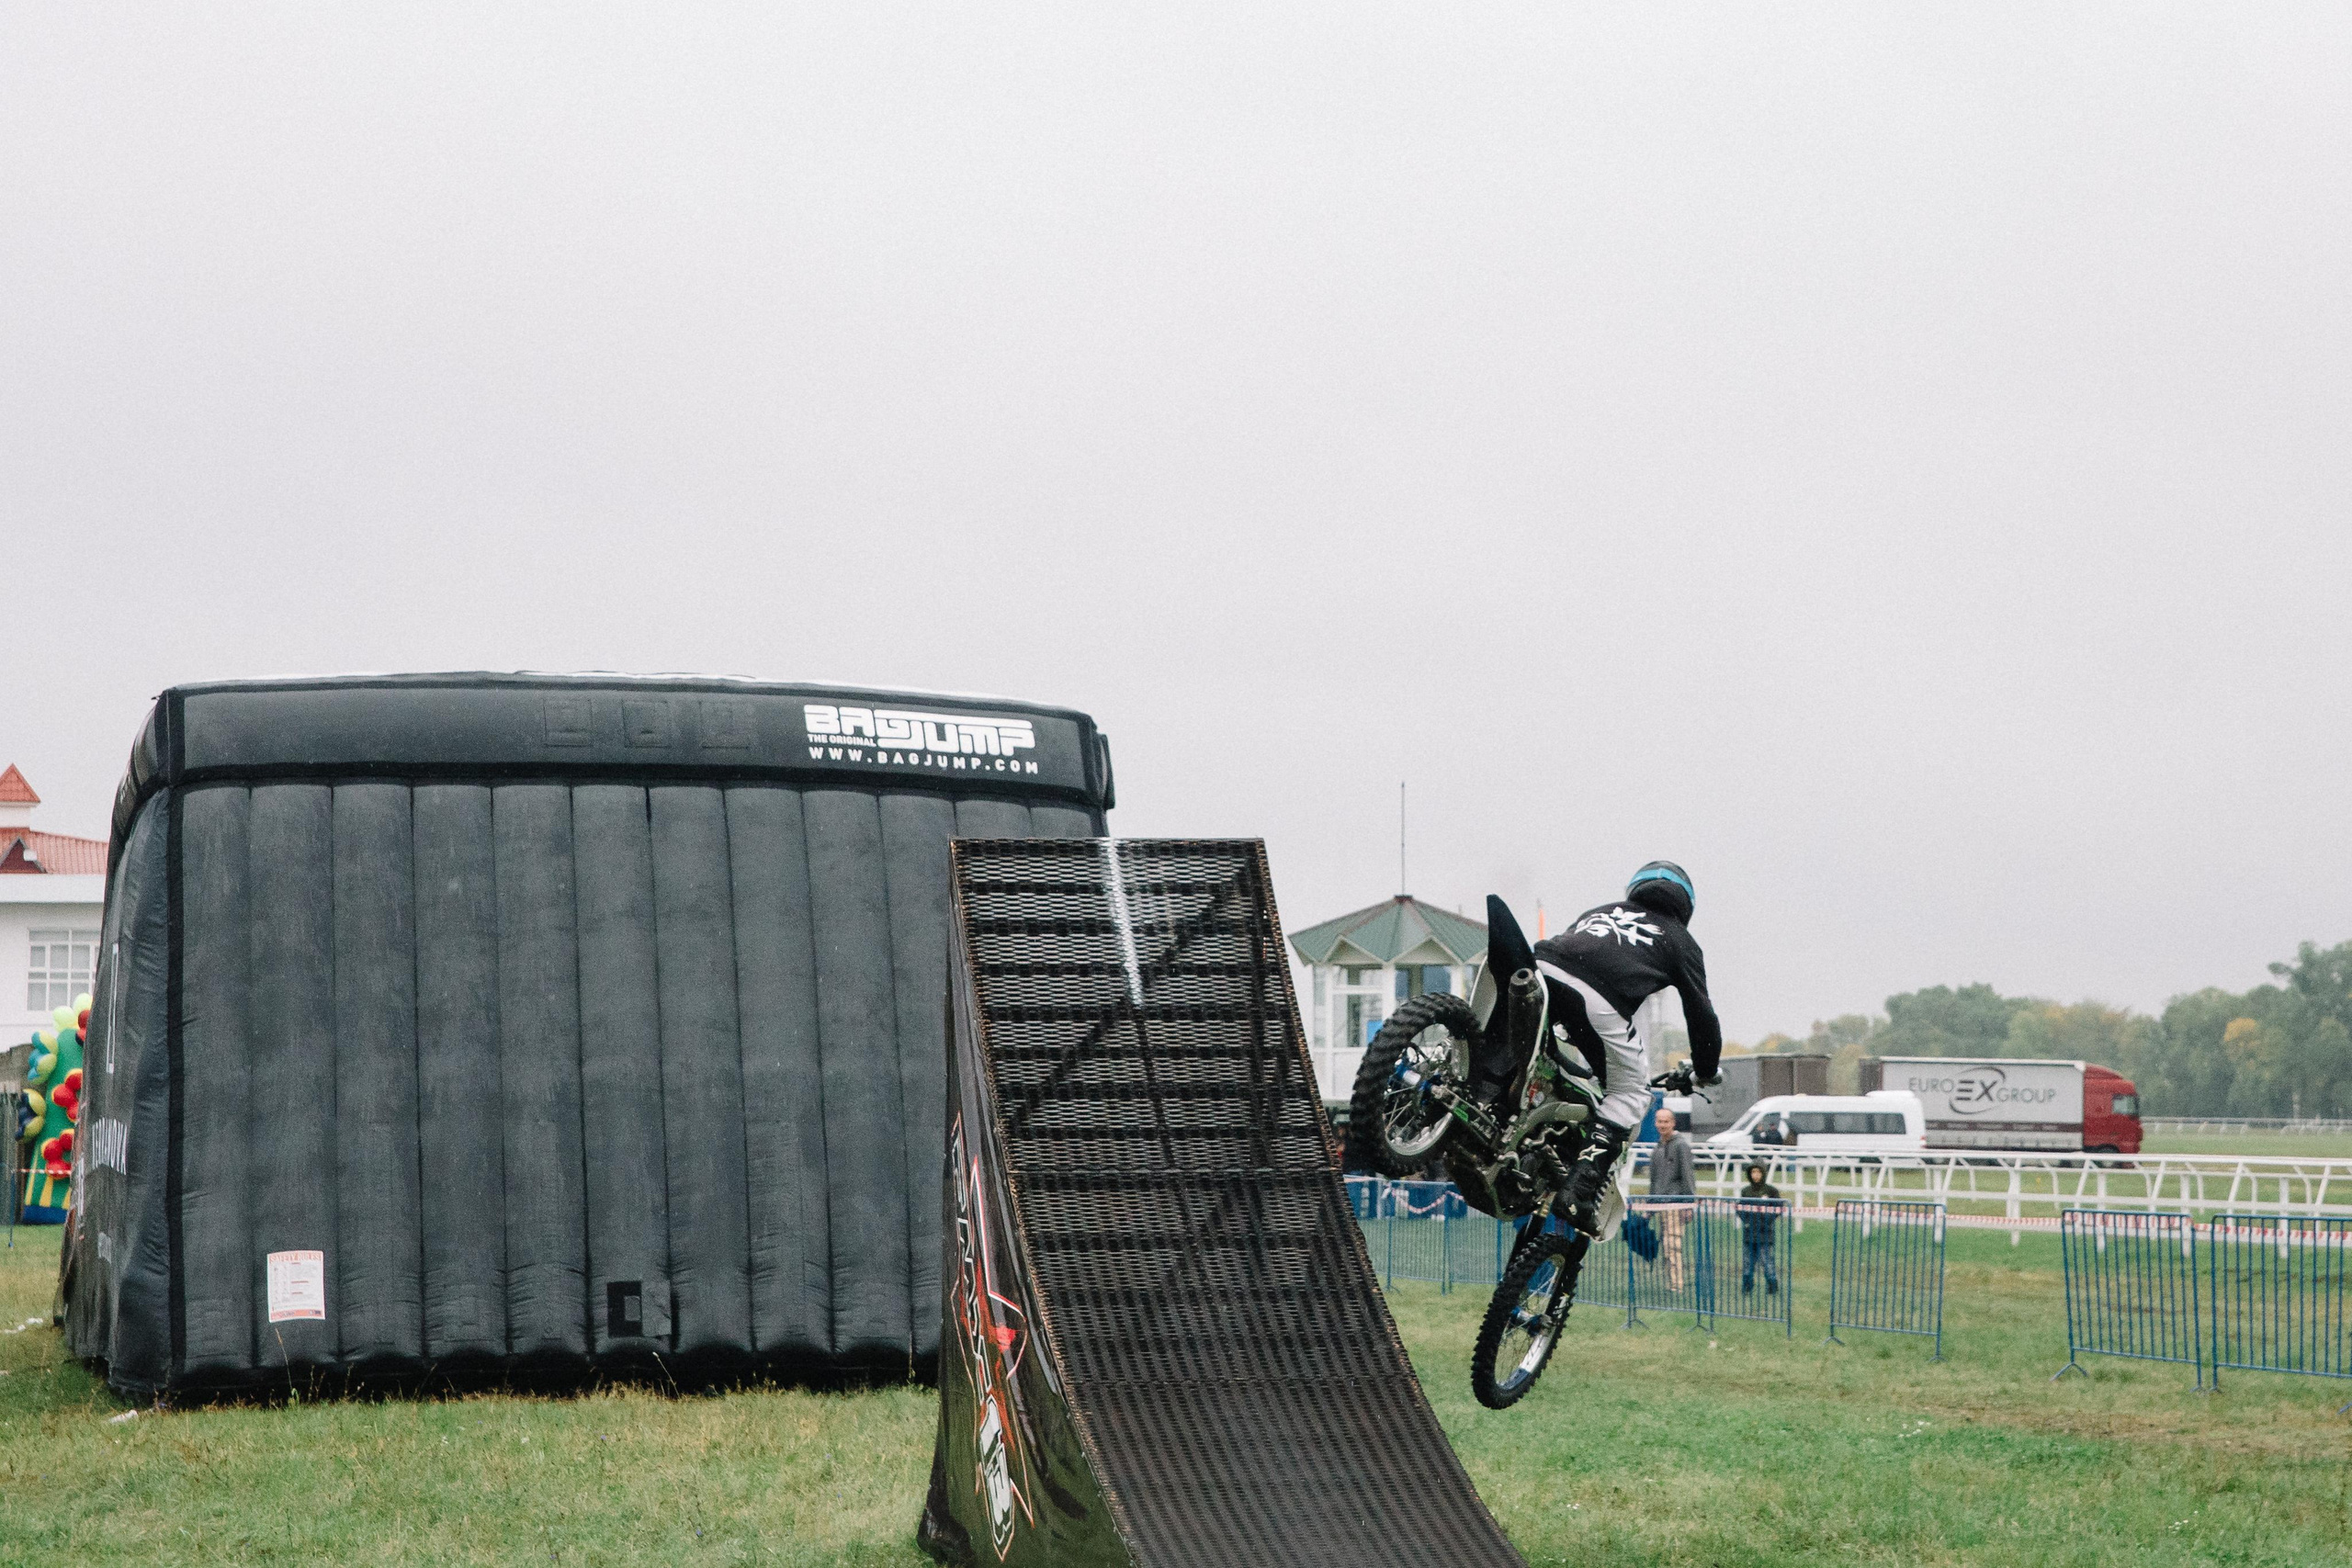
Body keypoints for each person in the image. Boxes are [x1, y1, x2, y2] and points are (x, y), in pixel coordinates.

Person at [1537, 861, 1724, 1235]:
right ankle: (1579, 1189)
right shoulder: (1680, 940)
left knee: (1542, 1060)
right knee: (1632, 1092)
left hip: (1539, 967)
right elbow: (1701, 1017)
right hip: (1598, 999)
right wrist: (1705, 1068)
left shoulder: (1600, 911)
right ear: (1685, 905)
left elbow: (1574, 959)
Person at [1648, 1108, 1697, 1292]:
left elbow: (1687, 1175)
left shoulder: (1680, 1146)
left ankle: (1677, 1284)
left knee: (1673, 1245)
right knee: (1666, 1246)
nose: (1662, 1125)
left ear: (1673, 1123)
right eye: (1659, 1121)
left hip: (1675, 1203)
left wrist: (1688, 1204)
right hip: (1661, 1203)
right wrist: (1650, 1206)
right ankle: (1671, 1282)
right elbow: (1654, 1179)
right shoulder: (1658, 1148)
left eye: (1666, 1121)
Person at [1737, 1162, 1782, 1295]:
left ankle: (1772, 1285)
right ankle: (1747, 1286)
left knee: (1767, 1261)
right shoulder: (1746, 1191)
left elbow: (1778, 1208)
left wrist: (1767, 1220)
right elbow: (1740, 1208)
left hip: (1765, 1234)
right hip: (1749, 1232)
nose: (1755, 1175)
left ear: (1763, 1173)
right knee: (1747, 1262)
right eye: (1753, 1172)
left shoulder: (1771, 1191)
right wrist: (1746, 1220)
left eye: (1758, 1172)